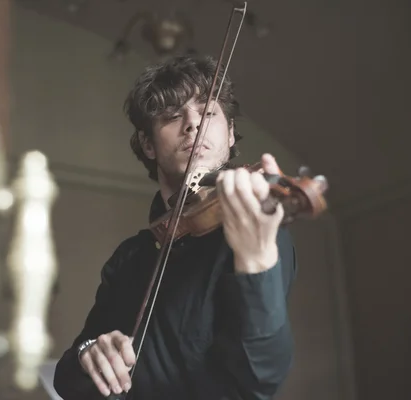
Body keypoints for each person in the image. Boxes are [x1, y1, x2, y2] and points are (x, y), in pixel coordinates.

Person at [53, 54, 298, 400]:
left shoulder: (255, 228)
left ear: (230, 134)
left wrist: (256, 258)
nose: (193, 124)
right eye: (172, 115)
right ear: (149, 145)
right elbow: (66, 380)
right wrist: (88, 353)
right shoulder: (130, 257)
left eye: (208, 112)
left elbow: (260, 378)